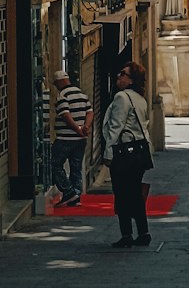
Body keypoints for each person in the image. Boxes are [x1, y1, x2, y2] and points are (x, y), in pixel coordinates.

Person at [102, 62, 154, 247]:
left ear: (131, 79)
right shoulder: (140, 98)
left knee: (123, 194)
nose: (118, 76)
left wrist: (108, 152)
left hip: (124, 153)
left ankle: (126, 235)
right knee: (135, 194)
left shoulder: (122, 97)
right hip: (139, 153)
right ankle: (143, 232)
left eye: (123, 74)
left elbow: (116, 127)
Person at [51, 68, 91, 207]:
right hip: (80, 140)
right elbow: (90, 112)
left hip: (65, 138)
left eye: (56, 84)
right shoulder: (81, 94)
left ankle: (68, 192)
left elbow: (66, 116)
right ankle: (76, 195)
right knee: (76, 167)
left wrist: (77, 130)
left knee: (54, 165)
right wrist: (85, 127)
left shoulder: (63, 95)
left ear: (59, 82)